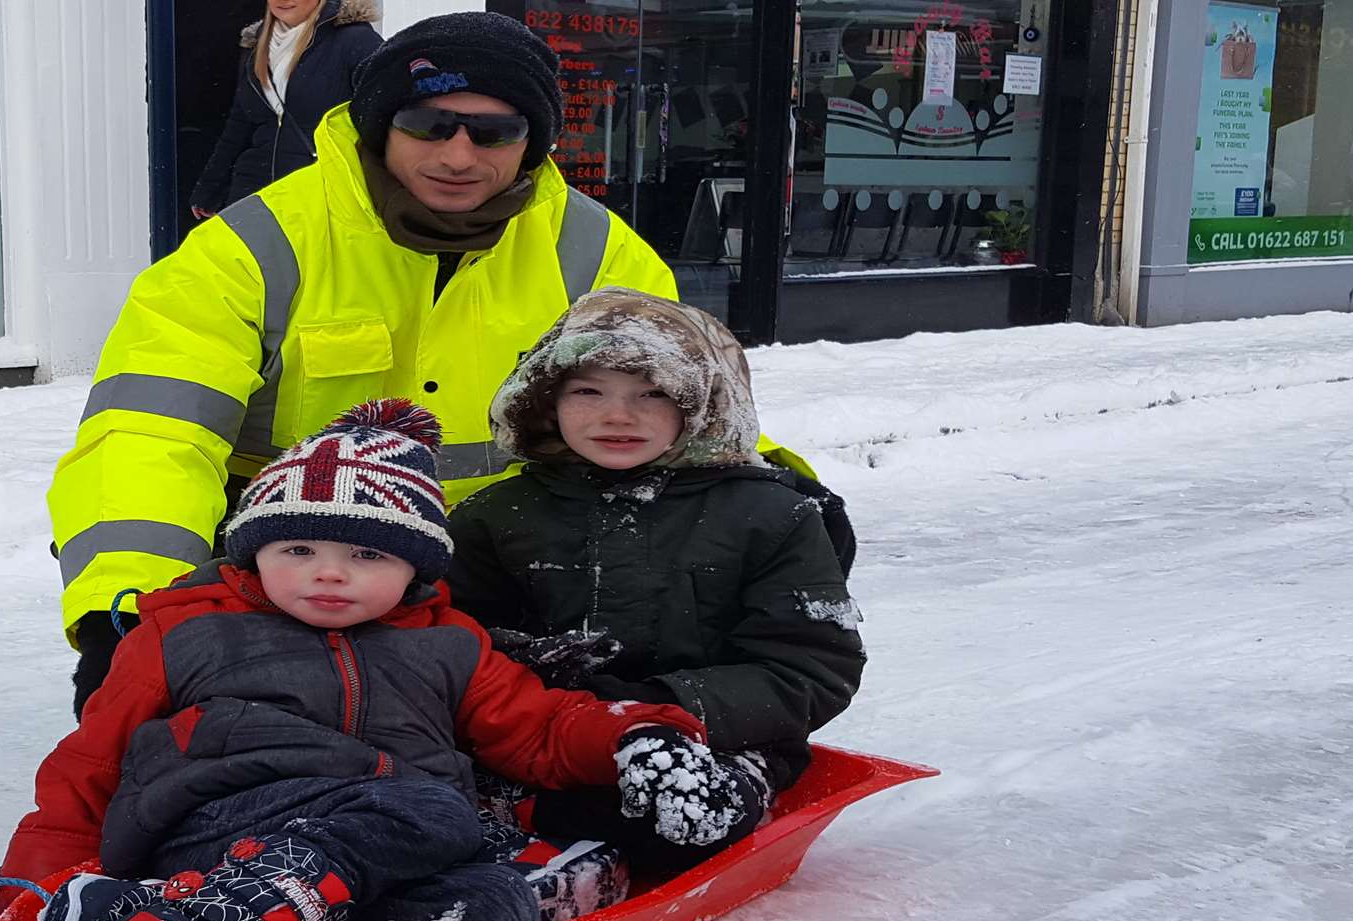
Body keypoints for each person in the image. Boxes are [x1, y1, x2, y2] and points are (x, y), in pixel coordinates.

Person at [2, 401, 747, 921]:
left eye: (365, 554)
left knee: (493, 907)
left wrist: (635, 736)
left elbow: (539, 727)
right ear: (253, 551)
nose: (329, 573)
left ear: (415, 569)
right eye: (298, 549)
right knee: (431, 806)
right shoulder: (187, 634)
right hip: (220, 822)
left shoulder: (448, 644)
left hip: (374, 855)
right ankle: (194, 920)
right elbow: (89, 764)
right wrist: (40, 886)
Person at [54, 11, 708, 721]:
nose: (459, 156)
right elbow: (150, 434)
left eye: (494, 132)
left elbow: (685, 412)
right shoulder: (250, 248)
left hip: (507, 575)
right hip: (294, 571)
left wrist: (777, 494)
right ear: (379, 125)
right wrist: (126, 613)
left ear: (534, 142)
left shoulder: (598, 251)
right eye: (429, 125)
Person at [445, 288, 868, 875]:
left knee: (678, 817)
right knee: (436, 796)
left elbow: (810, 666)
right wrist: (527, 677)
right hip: (544, 732)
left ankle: (580, 881)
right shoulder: (498, 515)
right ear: (546, 402)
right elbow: (451, 637)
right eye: (588, 392)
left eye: (653, 394)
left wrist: (659, 710)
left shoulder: (771, 516)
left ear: (700, 406)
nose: (618, 415)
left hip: (716, 740)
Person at [190, 0, 382, 219]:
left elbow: (381, 118)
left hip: (319, 195)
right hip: (253, 195)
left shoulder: (355, 40)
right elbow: (239, 125)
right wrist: (210, 188)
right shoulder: (255, 45)